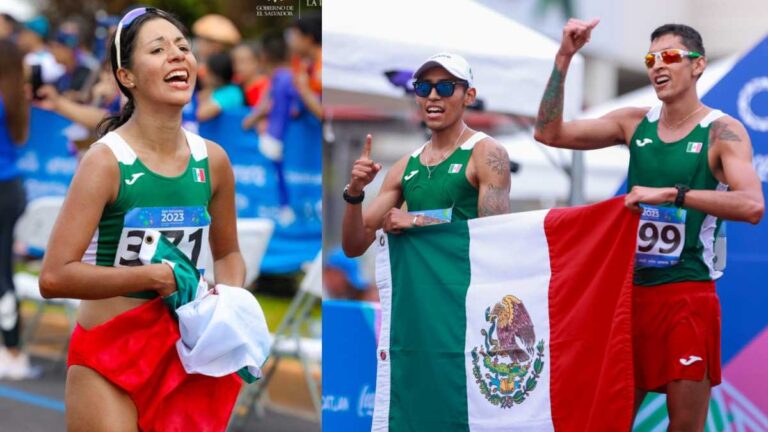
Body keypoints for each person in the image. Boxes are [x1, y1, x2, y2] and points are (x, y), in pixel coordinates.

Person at [533, 20, 764, 430]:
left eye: (671, 56)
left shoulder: (723, 131)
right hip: (629, 297)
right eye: (651, 59)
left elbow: (751, 205)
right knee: (606, 420)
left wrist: (674, 195)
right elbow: (549, 133)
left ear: (697, 66)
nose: (658, 66)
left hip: (686, 299)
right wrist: (565, 56)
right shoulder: (634, 122)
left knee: (684, 426)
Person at [38, 8, 244, 430]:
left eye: (183, 48)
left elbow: (230, 254)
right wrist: (152, 277)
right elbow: (54, 277)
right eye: (158, 49)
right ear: (126, 76)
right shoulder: (105, 161)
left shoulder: (214, 161)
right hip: (107, 361)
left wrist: (227, 301)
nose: (177, 56)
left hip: (183, 356)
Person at [342, 53, 512, 257]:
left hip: (465, 286)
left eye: (445, 87)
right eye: (423, 87)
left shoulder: (487, 152)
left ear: (469, 96)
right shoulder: (405, 166)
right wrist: (354, 193)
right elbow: (354, 246)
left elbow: (496, 237)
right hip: (417, 286)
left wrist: (417, 221)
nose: (432, 95)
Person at [0, 39, 32, 380]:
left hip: (2, 188)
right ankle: (11, 348)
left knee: (1, 275)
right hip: (11, 188)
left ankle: (13, 351)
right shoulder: (13, 97)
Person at [287, 15, 322, 119]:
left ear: (308, 38)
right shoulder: (301, 62)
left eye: (295, 36)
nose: (291, 41)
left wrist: (305, 90)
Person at [196, 51, 244, 121]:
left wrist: (206, 96)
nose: (202, 75)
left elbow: (202, 114)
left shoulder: (232, 92)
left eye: (206, 71)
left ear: (217, 77)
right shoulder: (214, 90)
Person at [232, 41, 269, 107]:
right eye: (234, 61)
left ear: (258, 62)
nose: (237, 67)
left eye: (242, 61)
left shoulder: (266, 88)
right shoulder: (234, 84)